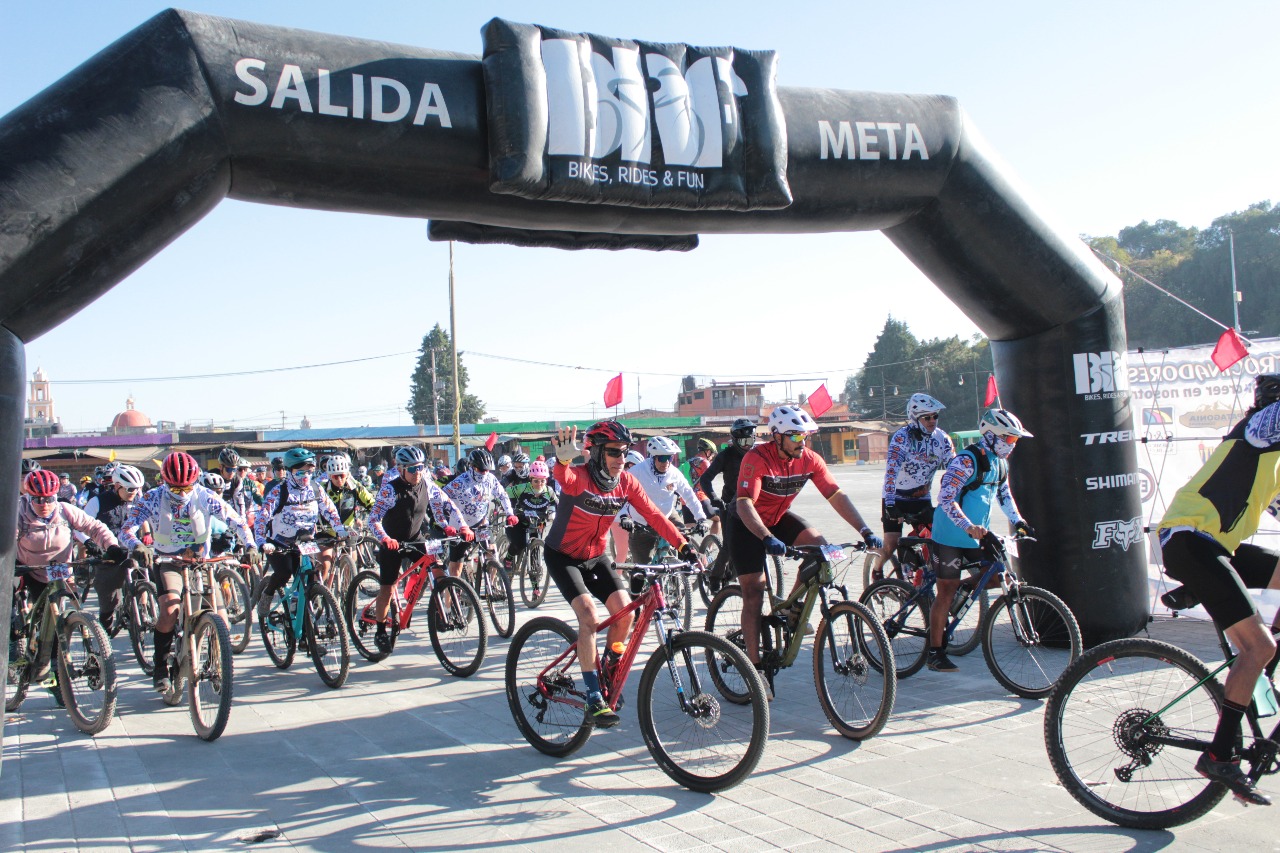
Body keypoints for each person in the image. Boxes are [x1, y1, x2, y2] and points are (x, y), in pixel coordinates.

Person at [1157, 373, 1280, 806]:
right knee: (1256, 649)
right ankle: (1218, 755)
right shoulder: (1260, 428)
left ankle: (1266, 659)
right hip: (1190, 541)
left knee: (1266, 647)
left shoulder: (1272, 464)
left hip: (1217, 546)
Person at [547, 420, 698, 727]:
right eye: (614, 452)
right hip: (563, 557)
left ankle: (608, 666)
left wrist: (683, 547)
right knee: (589, 617)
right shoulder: (580, 478)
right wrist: (563, 460)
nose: (621, 458)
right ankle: (593, 697)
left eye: (625, 452)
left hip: (596, 556)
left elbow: (654, 515)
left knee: (625, 615)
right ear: (598, 452)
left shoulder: (626, 482)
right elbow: (563, 477)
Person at [731, 405, 882, 696]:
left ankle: (790, 609)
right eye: (796, 438)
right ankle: (755, 667)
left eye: (806, 437)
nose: (803, 443)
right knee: (754, 591)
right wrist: (764, 537)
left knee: (822, 549)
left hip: (777, 519)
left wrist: (864, 530)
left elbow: (835, 495)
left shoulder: (810, 459)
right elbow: (745, 503)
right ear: (777, 437)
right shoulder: (756, 458)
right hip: (746, 523)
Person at [120, 451, 258, 692]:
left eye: (187, 488)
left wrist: (250, 545)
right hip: (167, 561)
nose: (182, 495)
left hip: (199, 562)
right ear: (164, 482)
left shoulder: (205, 496)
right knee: (170, 609)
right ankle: (161, 665)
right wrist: (138, 545)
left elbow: (236, 520)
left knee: (221, 619)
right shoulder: (151, 498)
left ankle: (217, 663)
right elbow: (126, 530)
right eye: (176, 489)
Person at [928, 409, 1034, 674]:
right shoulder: (965, 461)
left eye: (1015, 441)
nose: (1012, 445)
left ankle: (964, 591)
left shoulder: (1000, 463)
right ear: (990, 435)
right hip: (950, 535)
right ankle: (935, 653)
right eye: (1009, 440)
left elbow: (1004, 495)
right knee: (945, 591)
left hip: (978, 536)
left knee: (999, 576)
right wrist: (967, 526)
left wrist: (1019, 521)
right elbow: (946, 498)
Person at [16, 469, 128, 680]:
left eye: (49, 498)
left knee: (61, 619)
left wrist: (111, 546)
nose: (44, 504)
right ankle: (16, 638)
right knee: (20, 599)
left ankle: (57, 673)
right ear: (28, 497)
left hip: (61, 569)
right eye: (38, 499)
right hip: (30, 569)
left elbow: (94, 526)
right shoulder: (18, 512)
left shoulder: (65, 510)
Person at [367, 445, 469, 652]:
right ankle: (380, 631)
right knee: (388, 587)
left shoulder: (427, 484)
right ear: (401, 468)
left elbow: (448, 503)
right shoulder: (390, 489)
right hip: (393, 543)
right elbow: (373, 519)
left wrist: (462, 525)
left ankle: (442, 612)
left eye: (421, 467)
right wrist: (385, 538)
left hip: (415, 538)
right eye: (412, 469)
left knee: (439, 570)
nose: (418, 472)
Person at [254, 448, 350, 615]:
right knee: (284, 573)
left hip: (305, 541)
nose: (305, 477)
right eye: (300, 473)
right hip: (279, 543)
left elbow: (330, 510)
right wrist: (262, 542)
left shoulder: (315, 488)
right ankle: (267, 593)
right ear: (290, 473)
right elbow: (262, 518)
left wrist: (339, 528)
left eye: (309, 472)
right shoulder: (279, 491)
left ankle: (305, 609)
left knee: (312, 573)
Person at [870, 393, 955, 579]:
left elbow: (954, 470)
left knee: (935, 537)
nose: (932, 421)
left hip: (921, 497)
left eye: (935, 416)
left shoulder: (943, 439)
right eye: (927, 417)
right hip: (896, 497)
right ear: (915, 419)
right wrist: (891, 505)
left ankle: (919, 573)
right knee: (891, 543)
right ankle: (876, 570)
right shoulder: (902, 438)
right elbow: (891, 472)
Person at [618, 436, 707, 563]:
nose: (666, 462)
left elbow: (689, 495)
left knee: (686, 544)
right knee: (641, 571)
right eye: (662, 458)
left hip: (668, 515)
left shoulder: (674, 473)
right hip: (641, 522)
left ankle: (686, 576)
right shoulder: (636, 472)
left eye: (670, 458)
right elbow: (620, 496)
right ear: (652, 457)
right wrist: (624, 516)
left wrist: (701, 518)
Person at [82, 464, 149, 630]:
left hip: (132, 549)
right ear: (117, 485)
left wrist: (147, 535)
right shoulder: (97, 501)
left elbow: (149, 519)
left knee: (147, 573)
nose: (135, 493)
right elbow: (80, 527)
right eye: (131, 489)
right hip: (108, 554)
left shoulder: (137, 501)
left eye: (138, 489)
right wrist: (89, 543)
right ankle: (105, 630)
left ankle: (145, 610)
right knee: (109, 601)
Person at [443, 448, 517, 577]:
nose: (484, 473)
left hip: (481, 524)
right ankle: (450, 596)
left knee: (493, 554)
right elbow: (442, 497)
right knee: (455, 569)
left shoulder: (490, 479)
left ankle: (492, 586)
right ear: (472, 467)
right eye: (480, 470)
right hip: (461, 527)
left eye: (487, 470)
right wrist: (444, 521)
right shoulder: (460, 481)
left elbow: (503, 495)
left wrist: (510, 513)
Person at [315, 453, 375, 586]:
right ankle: (315, 594)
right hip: (326, 531)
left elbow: (372, 503)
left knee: (351, 565)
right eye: (335, 476)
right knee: (325, 565)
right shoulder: (322, 489)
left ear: (347, 474)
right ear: (330, 476)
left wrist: (379, 517)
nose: (339, 479)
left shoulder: (355, 487)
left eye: (342, 475)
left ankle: (347, 594)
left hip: (348, 530)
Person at [505, 460, 558, 568]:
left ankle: (535, 583)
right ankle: (508, 558)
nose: (539, 484)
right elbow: (503, 494)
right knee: (520, 544)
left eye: (543, 481)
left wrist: (553, 511)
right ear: (530, 479)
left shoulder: (549, 491)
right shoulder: (523, 488)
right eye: (536, 481)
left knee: (535, 551)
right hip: (519, 523)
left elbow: (557, 503)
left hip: (538, 524)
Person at [608, 450, 644, 562]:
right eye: (633, 466)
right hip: (618, 518)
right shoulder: (614, 479)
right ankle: (616, 578)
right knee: (623, 552)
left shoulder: (637, 480)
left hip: (635, 517)